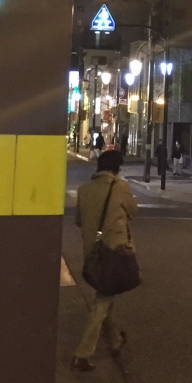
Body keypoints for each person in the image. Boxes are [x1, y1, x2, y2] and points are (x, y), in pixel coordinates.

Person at [73, 148, 138, 371]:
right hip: (114, 253)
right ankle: (82, 353)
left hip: (92, 252)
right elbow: (133, 212)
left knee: (105, 294)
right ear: (116, 168)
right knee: (102, 302)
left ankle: (115, 339)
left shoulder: (84, 189)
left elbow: (79, 221)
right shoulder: (120, 187)